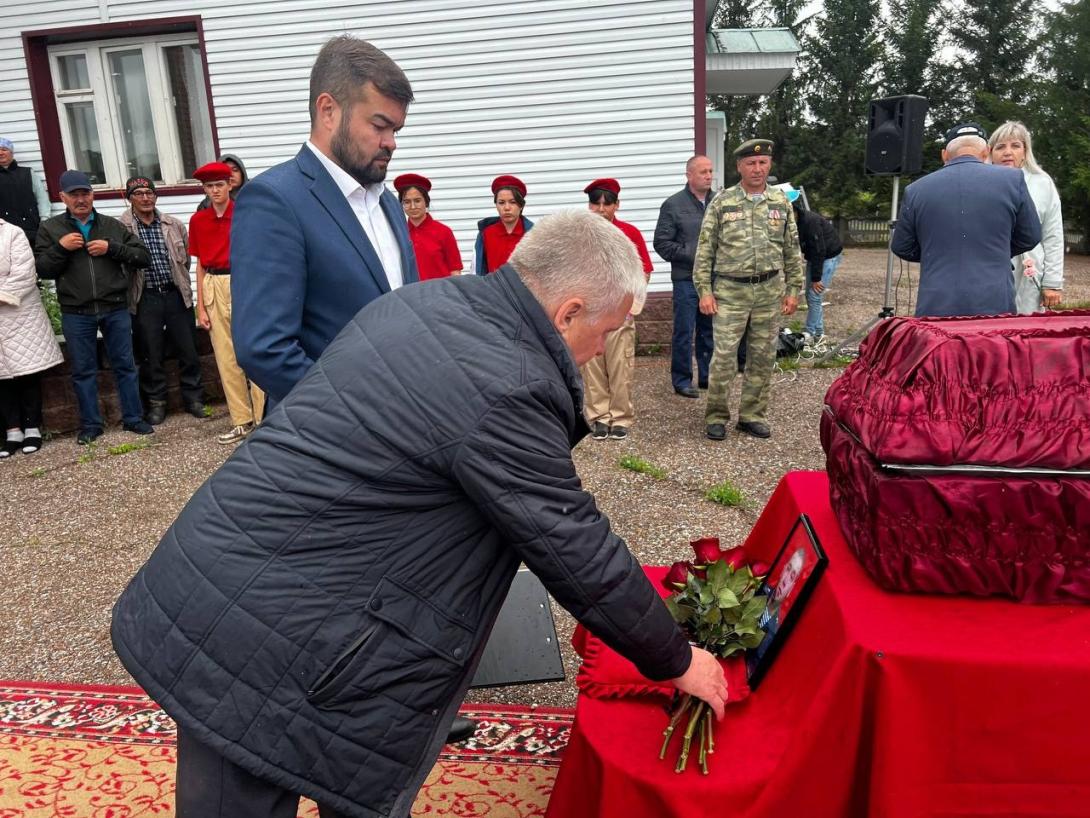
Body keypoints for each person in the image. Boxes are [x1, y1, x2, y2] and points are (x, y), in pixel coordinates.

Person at [110, 210, 729, 818]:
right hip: (258, 622)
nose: (601, 350)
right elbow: (572, 544)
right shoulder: (507, 382)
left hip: (264, 574)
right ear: (568, 311)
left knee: (335, 770)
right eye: (608, 330)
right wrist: (676, 659)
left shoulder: (426, 303)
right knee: (239, 790)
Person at [231, 36, 418, 407]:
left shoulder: (389, 203)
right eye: (380, 125)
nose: (391, 143)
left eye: (395, 130)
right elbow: (264, 350)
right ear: (328, 111)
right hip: (329, 442)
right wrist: (360, 415)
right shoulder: (275, 200)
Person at [33, 170, 153, 445]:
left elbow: (142, 257)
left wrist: (113, 248)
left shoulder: (111, 226)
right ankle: (90, 425)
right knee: (83, 371)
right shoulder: (50, 229)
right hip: (76, 312)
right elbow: (42, 269)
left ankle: (133, 418)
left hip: (115, 308)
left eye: (85, 193)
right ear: (62, 197)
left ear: (92, 194)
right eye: (74, 194)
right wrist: (61, 248)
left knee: (125, 365)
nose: (80, 199)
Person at [694, 139, 803, 441]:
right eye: (751, 163)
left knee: (762, 357)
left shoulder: (780, 202)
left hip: (769, 291)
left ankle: (752, 415)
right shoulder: (723, 202)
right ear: (739, 166)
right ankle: (716, 415)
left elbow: (792, 249)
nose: (758, 168)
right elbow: (705, 250)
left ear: (769, 165)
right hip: (730, 291)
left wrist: (794, 289)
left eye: (763, 163)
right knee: (725, 357)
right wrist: (704, 290)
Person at [891, 123, 1042, 317]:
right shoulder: (1013, 180)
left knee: (940, 348)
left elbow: (902, 246)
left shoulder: (916, 190)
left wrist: (936, 253)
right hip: (994, 300)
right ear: (985, 152)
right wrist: (995, 250)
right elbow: (1031, 236)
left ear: (944, 155)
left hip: (936, 301)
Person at [118, 177, 206, 424]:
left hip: (175, 294)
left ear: (155, 196)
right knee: (151, 353)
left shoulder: (174, 224)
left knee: (188, 350)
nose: (145, 198)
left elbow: (185, 262)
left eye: (149, 193)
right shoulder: (122, 228)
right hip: (145, 297)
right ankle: (157, 403)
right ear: (129, 198)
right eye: (138, 193)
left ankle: (194, 399)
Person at [190, 161, 264, 444]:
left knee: (253, 349)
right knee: (225, 355)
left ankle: (264, 417)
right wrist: (200, 306)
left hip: (243, 280)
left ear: (229, 185)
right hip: (213, 283)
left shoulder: (244, 214)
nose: (215, 191)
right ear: (205, 190)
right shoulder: (199, 220)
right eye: (209, 187)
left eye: (219, 185)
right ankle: (241, 420)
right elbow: (198, 264)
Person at [580, 178, 653, 441]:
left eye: (607, 203)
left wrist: (632, 306)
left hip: (619, 312)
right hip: (589, 313)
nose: (601, 209)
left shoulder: (629, 234)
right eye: (595, 203)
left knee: (620, 364)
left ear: (617, 205)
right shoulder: (581, 235)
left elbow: (643, 271)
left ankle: (620, 416)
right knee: (592, 366)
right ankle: (599, 416)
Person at [654, 155, 716, 399]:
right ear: (689, 175)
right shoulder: (673, 205)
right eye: (703, 172)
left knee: (708, 330)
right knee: (684, 331)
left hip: (713, 279)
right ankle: (681, 379)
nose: (709, 176)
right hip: (685, 279)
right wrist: (694, 255)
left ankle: (706, 375)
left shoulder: (718, 202)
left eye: (711, 171)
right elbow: (662, 243)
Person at [0, 218, 63, 457]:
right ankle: (12, 430)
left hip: (19, 314)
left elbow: (24, 274)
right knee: (1, 379)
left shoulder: (12, 233)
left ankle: (32, 427)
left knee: (27, 373)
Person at [988, 121, 1064, 313]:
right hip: (989, 271)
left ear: (1025, 151)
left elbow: (1052, 235)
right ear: (991, 152)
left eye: (1015, 146)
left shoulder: (1042, 183)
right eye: (1001, 146)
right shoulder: (981, 184)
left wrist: (1052, 282)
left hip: (1029, 272)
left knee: (1027, 332)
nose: (1007, 152)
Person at [783, 186, 843, 343]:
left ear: (792, 211)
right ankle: (819, 333)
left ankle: (810, 333)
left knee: (815, 295)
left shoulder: (810, 222)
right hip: (815, 257)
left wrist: (817, 278)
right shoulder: (791, 224)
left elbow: (819, 250)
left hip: (828, 256)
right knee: (811, 297)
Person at [394, 173, 463, 280]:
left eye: (417, 201)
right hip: (409, 294)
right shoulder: (399, 233)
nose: (412, 206)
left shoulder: (444, 232)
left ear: (426, 202)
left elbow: (455, 271)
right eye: (407, 202)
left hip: (440, 294)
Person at [474, 175, 533, 273]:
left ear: (521, 205)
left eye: (512, 202)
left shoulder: (533, 234)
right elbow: (479, 271)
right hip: (493, 288)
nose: (507, 208)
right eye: (501, 203)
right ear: (496, 205)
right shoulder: (486, 234)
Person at [0, 138, 51, 246]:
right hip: (3, 234)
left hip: (31, 231)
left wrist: (44, 221)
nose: (0, 153)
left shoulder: (28, 173)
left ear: (11, 152)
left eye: (4, 149)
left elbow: (42, 199)